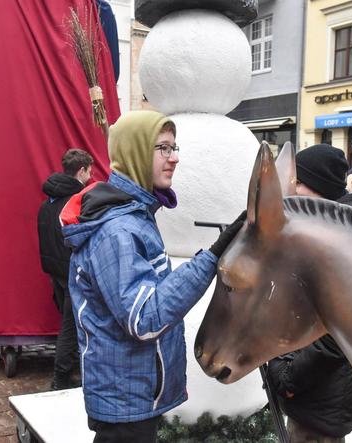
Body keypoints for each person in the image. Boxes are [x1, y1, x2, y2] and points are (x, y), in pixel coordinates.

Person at [61, 111, 245, 442]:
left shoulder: (136, 216)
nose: (174, 158)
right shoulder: (117, 230)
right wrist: (211, 257)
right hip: (125, 405)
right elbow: (144, 318)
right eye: (163, 148)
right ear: (135, 152)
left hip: (136, 398)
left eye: (175, 147)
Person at [268, 143, 352, 443]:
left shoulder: (348, 235)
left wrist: (291, 376)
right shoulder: (325, 222)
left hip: (325, 392)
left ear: (318, 186)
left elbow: (340, 327)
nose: (292, 188)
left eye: (298, 181)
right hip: (318, 388)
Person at [38, 148, 94, 390]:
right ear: (81, 171)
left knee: (68, 322)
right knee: (71, 327)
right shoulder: (76, 202)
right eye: (89, 171)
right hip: (71, 271)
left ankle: (71, 371)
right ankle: (60, 379)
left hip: (55, 271)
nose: (91, 176)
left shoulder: (46, 203)